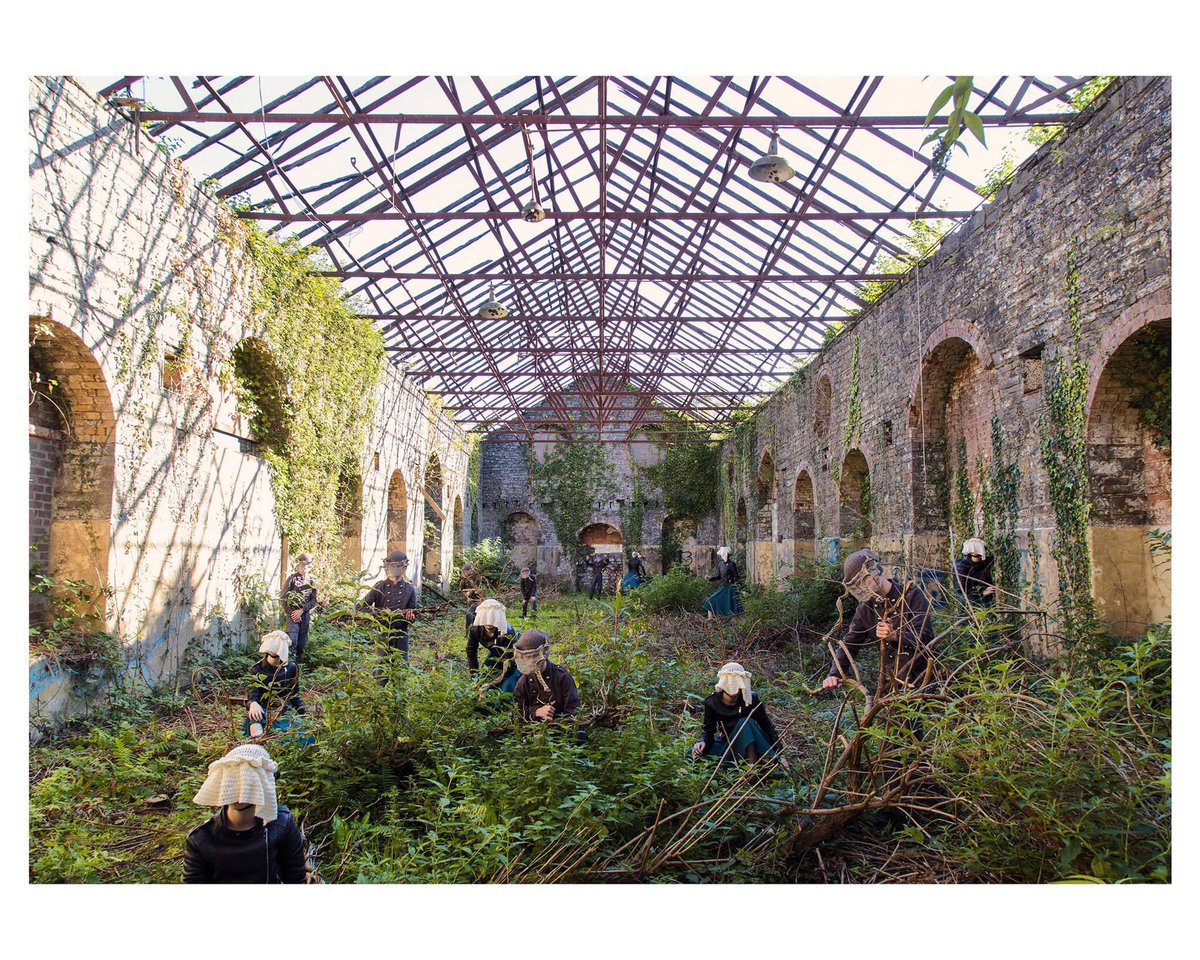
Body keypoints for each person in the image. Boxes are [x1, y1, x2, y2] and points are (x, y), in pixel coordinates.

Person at [183, 744, 307, 884]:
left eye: (247, 781)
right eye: (234, 780)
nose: (240, 790)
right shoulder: (201, 839)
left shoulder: (281, 825)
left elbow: (295, 878)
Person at [822, 549, 935, 695]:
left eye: (862, 580)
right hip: (892, 687)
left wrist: (896, 636)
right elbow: (850, 644)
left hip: (924, 681)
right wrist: (834, 674)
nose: (862, 587)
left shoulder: (911, 595)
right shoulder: (866, 609)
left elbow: (925, 637)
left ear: (873, 570)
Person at [691, 662, 781, 765]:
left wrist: (778, 751)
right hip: (729, 744)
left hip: (754, 742)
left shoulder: (751, 698)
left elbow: (767, 726)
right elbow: (708, 730)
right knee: (692, 755)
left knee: (745, 722)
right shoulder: (712, 702)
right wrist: (702, 741)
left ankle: (752, 767)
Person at [358, 550, 418, 660]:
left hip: (400, 633)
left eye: (397, 566)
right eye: (392, 566)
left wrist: (410, 617)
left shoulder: (409, 589)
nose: (394, 569)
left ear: (403, 567)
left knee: (401, 663)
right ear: (387, 567)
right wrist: (378, 613)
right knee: (381, 664)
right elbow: (361, 606)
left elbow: (412, 612)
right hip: (382, 632)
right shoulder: (379, 587)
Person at [245, 630, 306, 738]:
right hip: (264, 709)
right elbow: (253, 694)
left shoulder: (291, 668)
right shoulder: (257, 669)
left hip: (285, 711)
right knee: (256, 728)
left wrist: (303, 714)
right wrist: (253, 704)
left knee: (299, 736)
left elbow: (294, 694)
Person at [512, 629, 580, 723]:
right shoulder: (523, 682)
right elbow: (516, 715)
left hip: (563, 732)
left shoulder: (562, 676)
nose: (531, 661)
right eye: (528, 656)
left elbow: (573, 710)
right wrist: (536, 712)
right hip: (532, 733)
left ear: (544, 653)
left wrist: (557, 724)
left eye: (535, 655)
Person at [468, 598, 518, 690]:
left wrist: (494, 683)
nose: (489, 623)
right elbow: (471, 651)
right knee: (482, 679)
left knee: (506, 686)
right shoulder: (475, 629)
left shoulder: (507, 633)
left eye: (492, 617)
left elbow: (510, 662)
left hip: (514, 657)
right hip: (495, 653)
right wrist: (474, 676)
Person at [281, 552, 317, 663]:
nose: (304, 568)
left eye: (306, 566)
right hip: (292, 616)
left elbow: (313, 601)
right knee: (292, 642)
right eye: (302, 566)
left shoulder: (312, 581)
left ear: (310, 567)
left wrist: (302, 610)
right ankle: (288, 667)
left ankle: (298, 668)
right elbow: (283, 599)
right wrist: (293, 613)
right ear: (298, 566)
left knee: (302, 644)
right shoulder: (292, 579)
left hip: (304, 615)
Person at [955, 538, 996, 609]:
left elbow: (993, 559)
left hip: (987, 600)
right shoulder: (962, 566)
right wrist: (982, 593)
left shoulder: (985, 562)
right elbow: (962, 589)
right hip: (971, 601)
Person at [703, 547, 743, 619]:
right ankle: (710, 621)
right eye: (723, 554)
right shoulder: (720, 564)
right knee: (710, 601)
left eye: (725, 554)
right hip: (723, 587)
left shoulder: (732, 564)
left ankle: (733, 624)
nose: (724, 555)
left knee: (732, 607)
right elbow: (719, 576)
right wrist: (710, 578)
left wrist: (741, 589)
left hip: (731, 588)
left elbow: (737, 577)